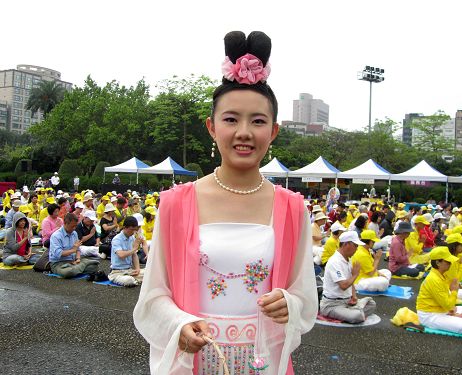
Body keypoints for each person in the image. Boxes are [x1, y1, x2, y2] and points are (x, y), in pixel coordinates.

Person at [133, 31, 316, 375]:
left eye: (257, 121)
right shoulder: (176, 203)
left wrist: (289, 305)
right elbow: (154, 295)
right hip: (198, 360)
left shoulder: (292, 208)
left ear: (273, 132)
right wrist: (178, 325)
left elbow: (304, 295)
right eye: (231, 119)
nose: (244, 132)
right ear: (211, 127)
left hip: (264, 361)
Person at [319, 231, 377, 323]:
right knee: (357, 316)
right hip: (332, 304)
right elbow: (343, 285)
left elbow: (351, 283)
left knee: (371, 303)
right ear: (347, 244)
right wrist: (355, 275)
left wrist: (354, 296)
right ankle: (354, 312)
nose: (357, 249)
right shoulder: (334, 261)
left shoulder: (347, 260)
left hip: (346, 302)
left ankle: (352, 311)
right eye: (355, 246)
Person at [416, 247, 462, 334]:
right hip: (429, 315)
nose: (450, 263)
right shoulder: (434, 279)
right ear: (438, 262)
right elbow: (448, 304)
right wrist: (454, 291)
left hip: (439, 309)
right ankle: (449, 319)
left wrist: (450, 310)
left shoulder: (441, 274)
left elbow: (446, 300)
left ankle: (450, 318)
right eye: (448, 262)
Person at [49, 213, 100, 278]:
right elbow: (58, 253)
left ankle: (78, 267)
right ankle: (82, 265)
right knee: (68, 272)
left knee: (94, 267)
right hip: (58, 263)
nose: (74, 228)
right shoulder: (56, 236)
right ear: (65, 223)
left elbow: (78, 249)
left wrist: (78, 258)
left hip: (73, 261)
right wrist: (73, 250)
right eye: (72, 226)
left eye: (75, 226)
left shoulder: (74, 233)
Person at [108, 216, 144, 287]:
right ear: (124, 227)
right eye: (131, 229)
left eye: (135, 230)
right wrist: (134, 248)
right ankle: (135, 280)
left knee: (150, 273)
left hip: (129, 270)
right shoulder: (117, 239)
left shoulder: (132, 238)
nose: (133, 232)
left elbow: (134, 255)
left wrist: (137, 268)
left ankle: (135, 280)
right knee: (128, 280)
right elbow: (121, 255)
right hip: (117, 272)